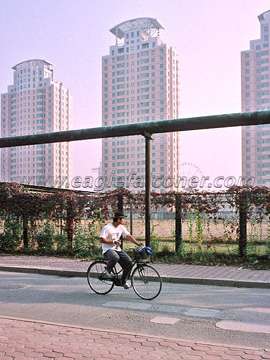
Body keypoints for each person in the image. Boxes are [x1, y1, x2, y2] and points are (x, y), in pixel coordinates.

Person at [100, 211, 141, 289]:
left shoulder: (121, 227)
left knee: (129, 263)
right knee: (115, 257)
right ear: (118, 219)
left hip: (117, 249)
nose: (124, 220)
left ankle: (123, 281)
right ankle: (107, 272)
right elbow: (102, 240)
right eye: (122, 219)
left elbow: (128, 236)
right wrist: (113, 241)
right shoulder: (107, 227)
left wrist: (138, 244)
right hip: (107, 249)